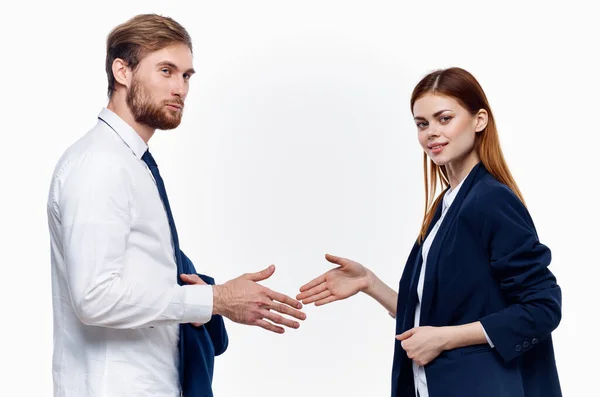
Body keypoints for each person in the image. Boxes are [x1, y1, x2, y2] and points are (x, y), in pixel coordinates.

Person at [47, 14, 305, 397]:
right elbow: (94, 298)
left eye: (186, 76)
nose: (180, 88)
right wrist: (215, 300)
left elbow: (135, 274)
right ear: (122, 71)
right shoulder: (101, 165)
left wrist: (204, 297)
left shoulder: (128, 163)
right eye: (166, 71)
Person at [297, 67, 562, 397]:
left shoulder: (490, 200)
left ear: (479, 120)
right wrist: (368, 282)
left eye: (444, 118)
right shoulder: (447, 204)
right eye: (422, 124)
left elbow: (542, 308)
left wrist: (445, 338)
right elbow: (433, 316)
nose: (431, 133)